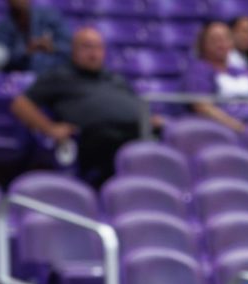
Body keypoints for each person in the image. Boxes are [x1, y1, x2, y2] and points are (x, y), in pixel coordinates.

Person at [10, 27, 150, 187]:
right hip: (95, 141)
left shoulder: (115, 78)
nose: (94, 53)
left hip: (137, 134)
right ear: (73, 50)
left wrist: (149, 118)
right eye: (87, 47)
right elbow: (20, 104)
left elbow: (133, 104)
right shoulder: (60, 76)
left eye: (98, 47)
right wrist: (50, 128)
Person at [183, 20, 248, 134]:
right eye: (215, 40)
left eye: (225, 39)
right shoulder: (198, 71)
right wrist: (240, 128)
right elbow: (203, 107)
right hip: (221, 132)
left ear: (231, 43)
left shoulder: (241, 70)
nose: (221, 43)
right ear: (203, 44)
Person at [0, 0, 70, 73]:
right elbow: (0, 58)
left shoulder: (49, 17)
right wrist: (26, 52)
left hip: (54, 74)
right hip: (19, 76)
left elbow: (69, 46)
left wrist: (52, 46)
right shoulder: (1, 28)